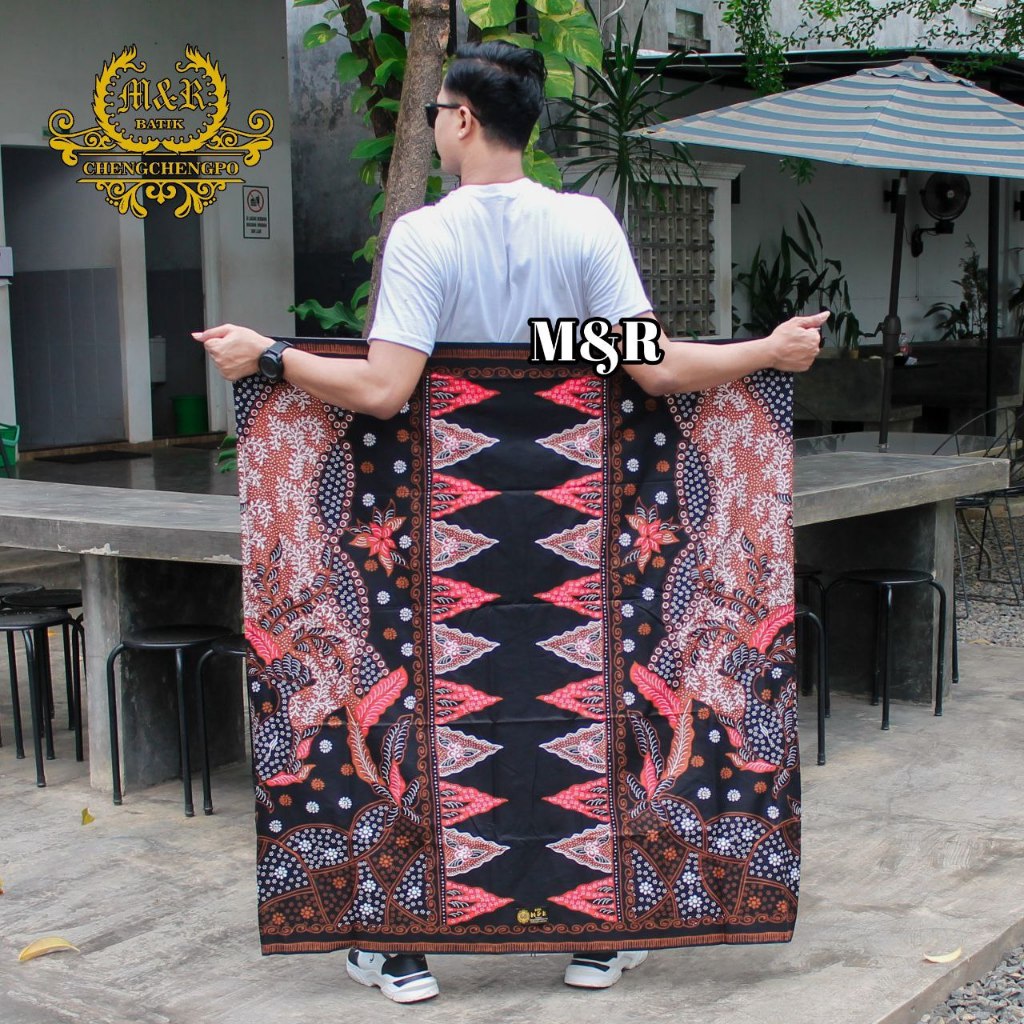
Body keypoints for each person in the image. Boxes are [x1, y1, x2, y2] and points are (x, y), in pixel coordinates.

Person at [196, 40, 825, 1005]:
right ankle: (598, 941)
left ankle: (401, 948)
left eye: (434, 115)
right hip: (585, 523)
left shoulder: (425, 237)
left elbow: (385, 388)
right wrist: (766, 350)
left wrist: (269, 356)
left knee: (410, 718)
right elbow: (649, 368)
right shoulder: (584, 225)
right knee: (590, 713)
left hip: (436, 531)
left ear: (460, 120)